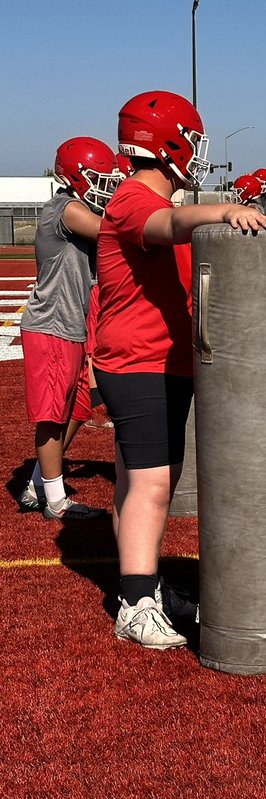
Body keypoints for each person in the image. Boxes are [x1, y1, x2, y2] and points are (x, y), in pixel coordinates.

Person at [93, 90, 266, 650]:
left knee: (136, 481)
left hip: (149, 359)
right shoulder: (133, 200)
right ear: (169, 141)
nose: (195, 153)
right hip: (140, 361)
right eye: (191, 141)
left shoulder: (138, 197)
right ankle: (135, 602)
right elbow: (167, 226)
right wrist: (222, 211)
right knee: (152, 483)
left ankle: (140, 584)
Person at [19, 136, 119, 520]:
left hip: (74, 326)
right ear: (77, 176)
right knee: (51, 414)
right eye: (101, 178)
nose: (107, 186)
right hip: (51, 326)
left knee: (78, 406)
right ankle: (57, 502)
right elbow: (112, 231)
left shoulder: (81, 209)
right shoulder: (63, 209)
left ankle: (37, 481)